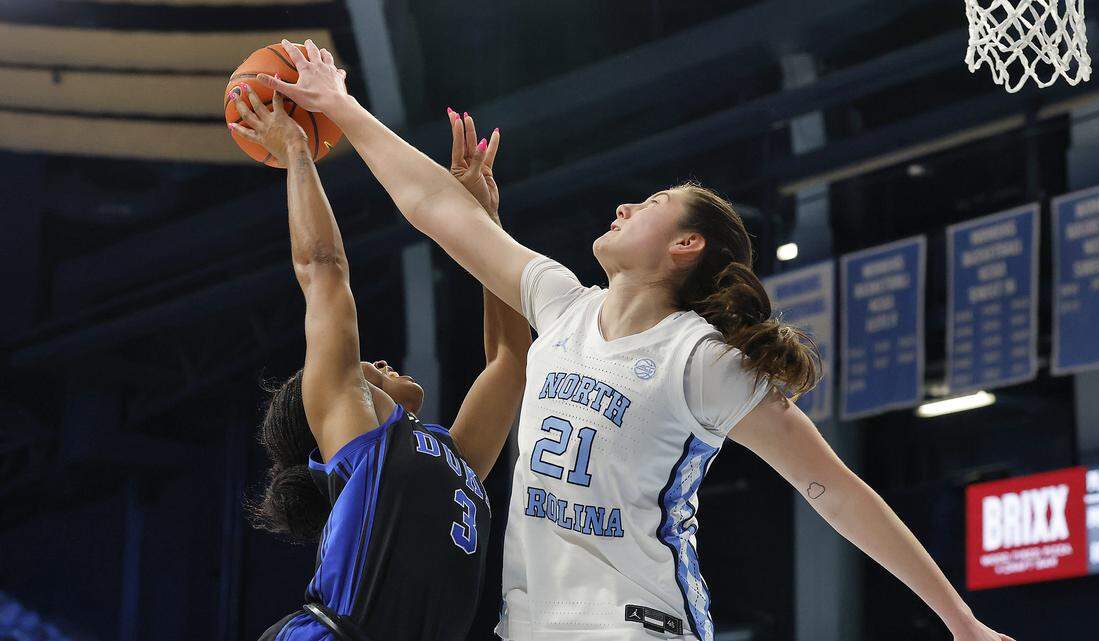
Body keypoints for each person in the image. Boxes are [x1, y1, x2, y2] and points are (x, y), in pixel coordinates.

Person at [259, 39, 1016, 641]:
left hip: (637, 624)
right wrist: (342, 109)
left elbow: (836, 491)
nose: (625, 204)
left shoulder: (700, 359)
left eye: (651, 203)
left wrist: (962, 622)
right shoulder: (559, 306)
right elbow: (430, 205)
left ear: (686, 245)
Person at [227, 81, 531, 641]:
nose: (382, 362)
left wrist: (483, 223)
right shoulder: (357, 439)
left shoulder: (451, 457)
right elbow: (322, 267)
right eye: (370, 370)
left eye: (367, 368)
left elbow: (509, 361)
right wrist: (294, 147)